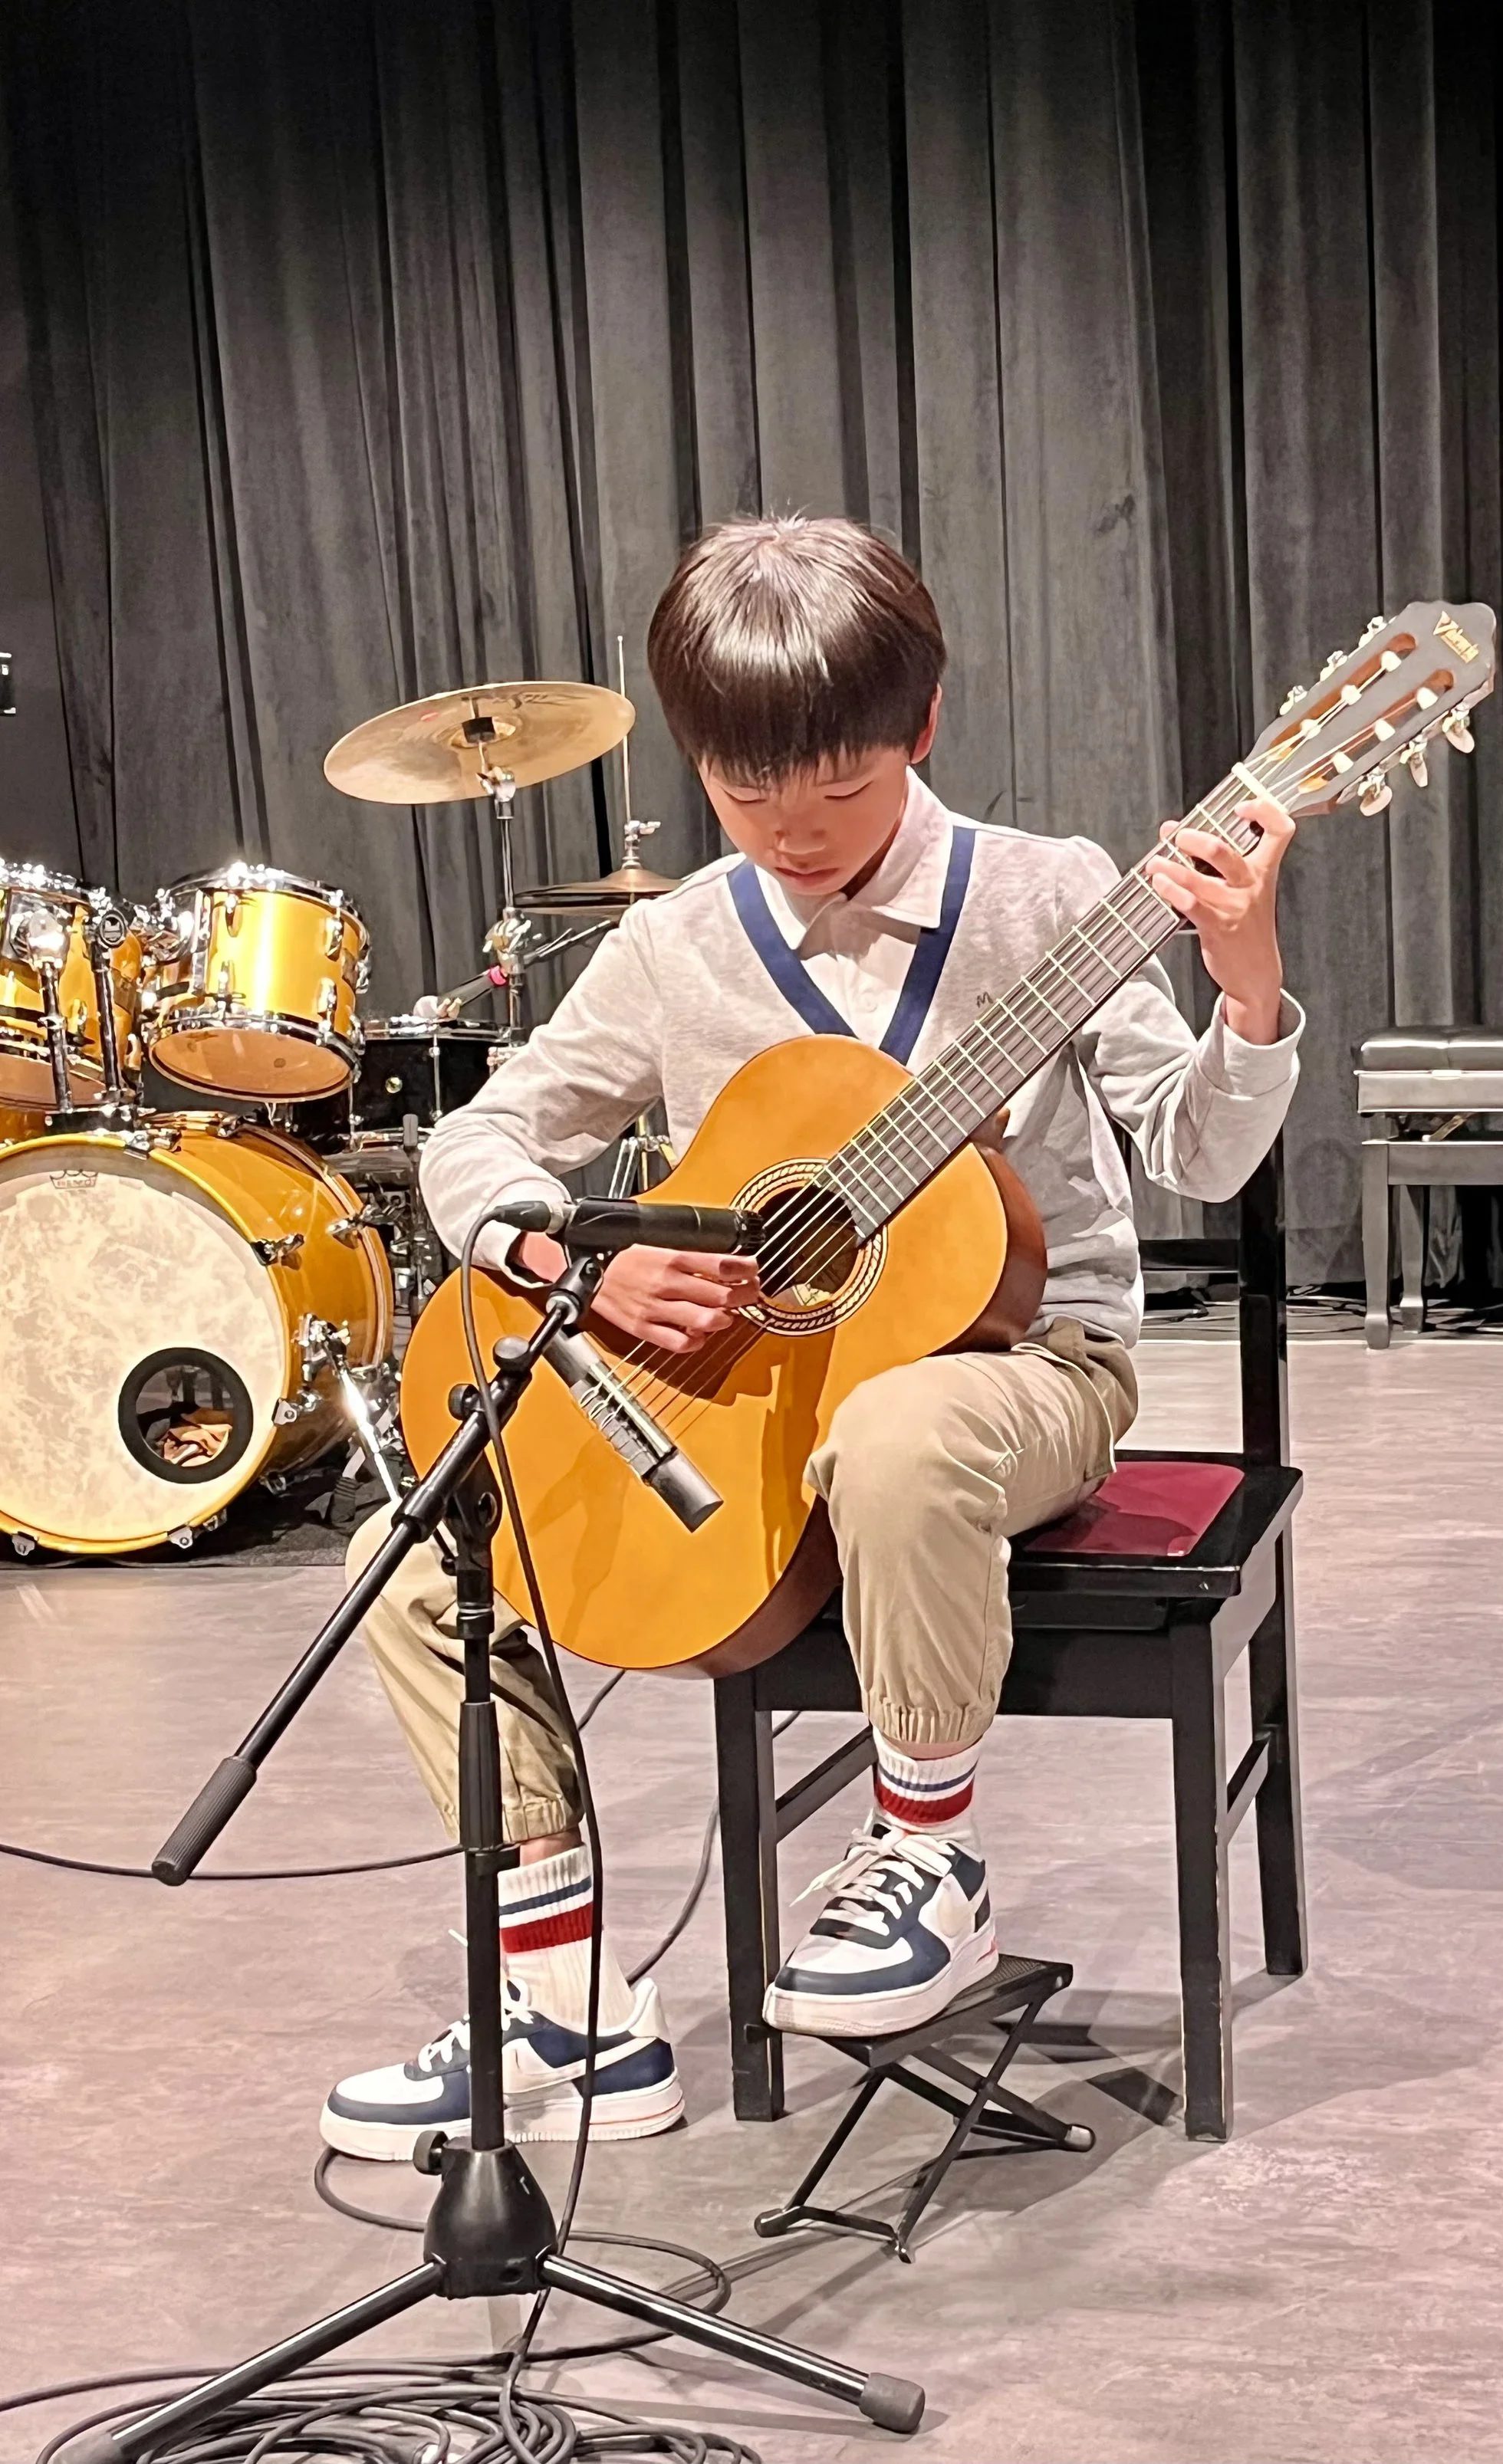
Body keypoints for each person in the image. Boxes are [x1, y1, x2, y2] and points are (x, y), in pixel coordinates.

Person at [320, 514, 1303, 2160]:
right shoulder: (676, 944)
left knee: (900, 1430)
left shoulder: (1052, 899)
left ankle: (929, 1852)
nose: (790, 830)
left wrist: (1246, 981)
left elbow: (1198, 1153)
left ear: (920, 729)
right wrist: (571, 1255)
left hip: (1030, 1371)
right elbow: (473, 1141)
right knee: (419, 1557)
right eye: (740, 790)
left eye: (835, 789)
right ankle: (565, 2000)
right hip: (750, 1387)